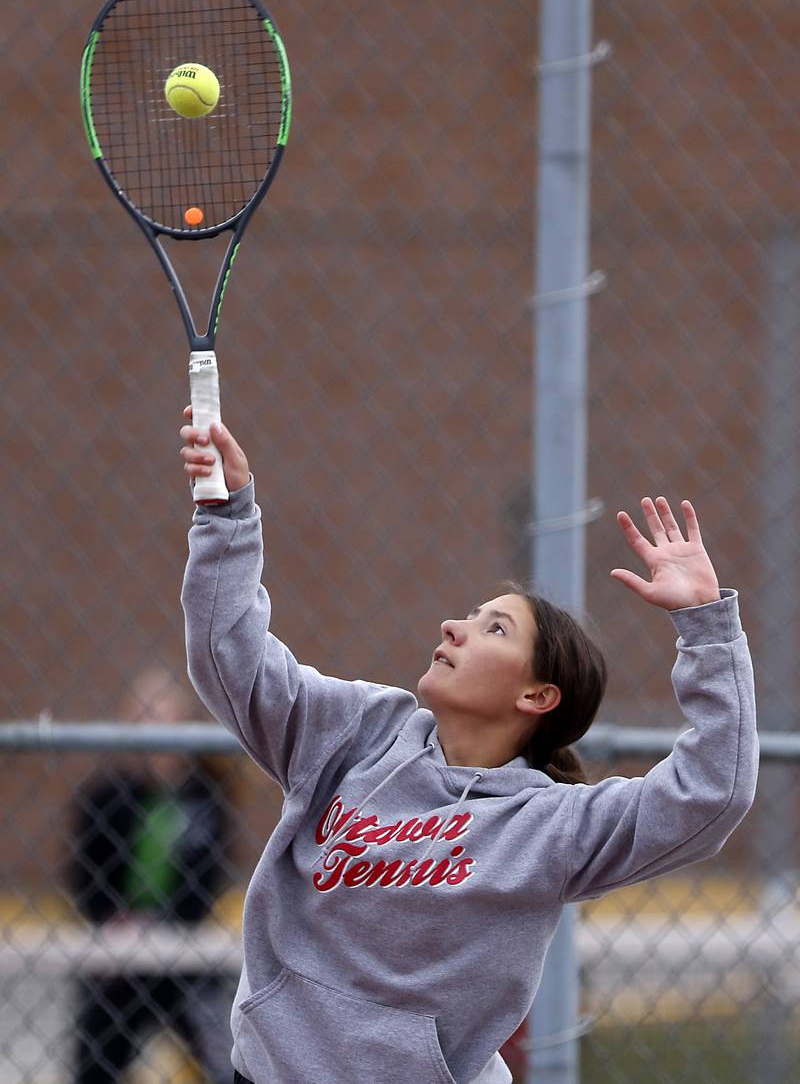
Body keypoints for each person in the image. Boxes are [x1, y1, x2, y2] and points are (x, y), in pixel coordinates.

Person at [179, 412, 758, 1084]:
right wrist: (228, 515)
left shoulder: (549, 828)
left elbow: (714, 792)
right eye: (470, 616)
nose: (454, 626)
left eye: (495, 627)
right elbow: (230, 654)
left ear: (538, 696)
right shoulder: (358, 733)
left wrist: (707, 626)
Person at [69, 666, 233, 1084]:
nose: (152, 731)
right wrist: (113, 918)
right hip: (121, 951)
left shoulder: (204, 797)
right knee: (97, 1054)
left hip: (182, 949)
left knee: (225, 1054)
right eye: (141, 718)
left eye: (161, 718)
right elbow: (86, 874)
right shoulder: (106, 798)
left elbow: (209, 874)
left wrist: (172, 924)